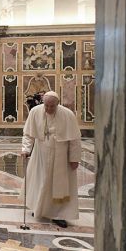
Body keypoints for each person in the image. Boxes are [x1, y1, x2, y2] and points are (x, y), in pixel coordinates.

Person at [20, 91, 81, 228]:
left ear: (57, 104)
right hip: (40, 154)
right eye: (46, 105)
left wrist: (74, 158)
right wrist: (25, 149)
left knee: (57, 185)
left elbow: (75, 139)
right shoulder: (35, 111)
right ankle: (39, 208)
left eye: (51, 106)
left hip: (61, 155)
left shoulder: (67, 115)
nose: (48, 109)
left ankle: (57, 214)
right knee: (40, 181)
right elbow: (28, 134)